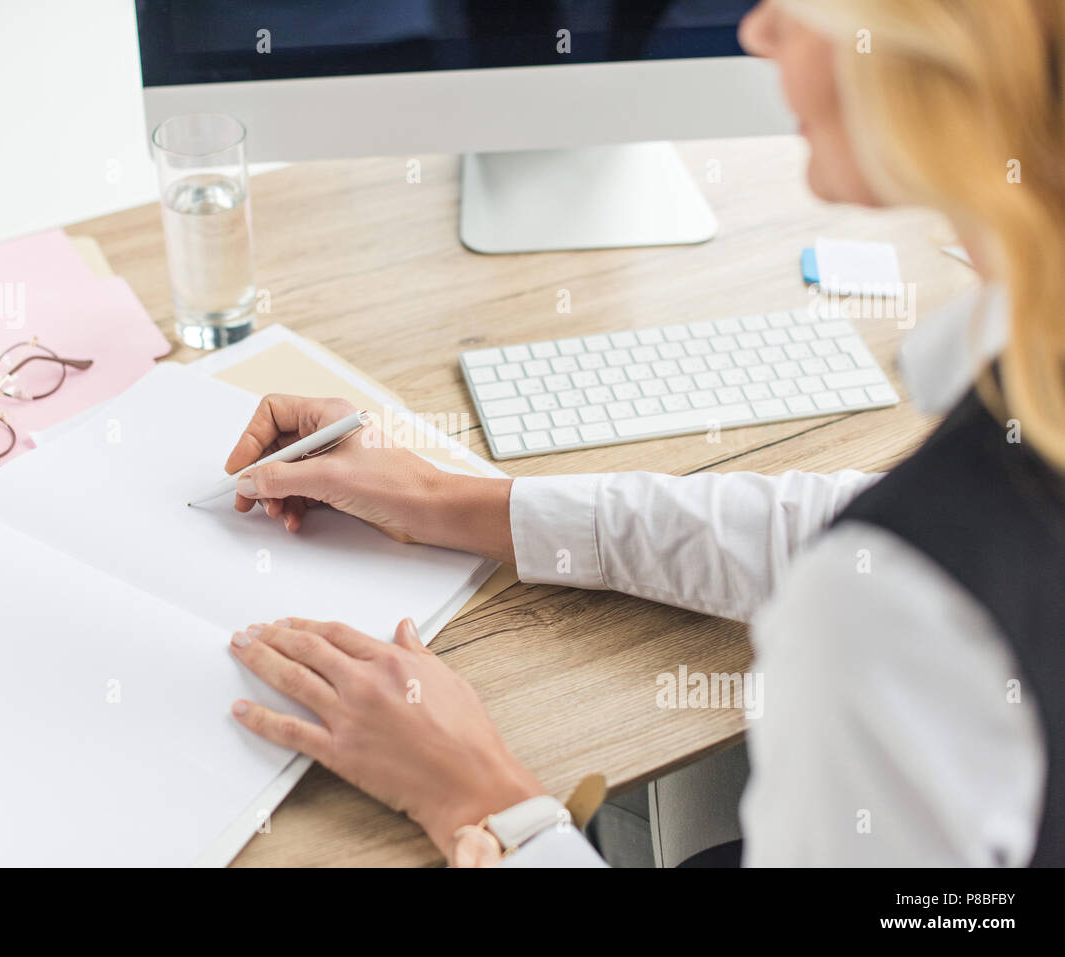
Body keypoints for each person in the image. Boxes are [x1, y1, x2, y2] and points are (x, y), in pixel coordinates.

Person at [220, 0, 1065, 866]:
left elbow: (893, 586)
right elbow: (846, 536)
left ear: (954, 52)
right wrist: (443, 495)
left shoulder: (897, 609)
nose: (756, 30)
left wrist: (482, 795)